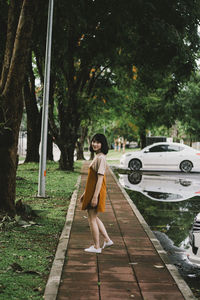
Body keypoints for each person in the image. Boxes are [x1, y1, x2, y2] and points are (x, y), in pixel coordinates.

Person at [80, 133, 113, 253]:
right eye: (93, 141)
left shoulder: (101, 158)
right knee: (94, 217)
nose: (95, 144)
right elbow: (92, 180)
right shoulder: (97, 156)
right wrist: (85, 193)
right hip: (92, 191)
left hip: (96, 192)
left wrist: (94, 197)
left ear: (102, 144)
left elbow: (100, 179)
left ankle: (96, 246)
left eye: (98, 142)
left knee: (91, 218)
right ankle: (107, 240)